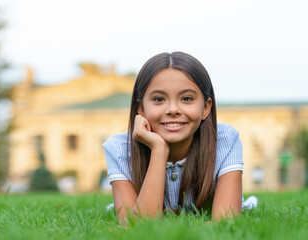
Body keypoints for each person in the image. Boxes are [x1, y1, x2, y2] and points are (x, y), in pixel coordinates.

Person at [103, 52, 256, 224]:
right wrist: (159, 150)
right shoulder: (118, 149)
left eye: (187, 98)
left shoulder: (225, 140)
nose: (173, 109)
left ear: (206, 107)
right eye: (159, 99)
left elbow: (225, 222)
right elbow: (137, 227)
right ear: (141, 109)